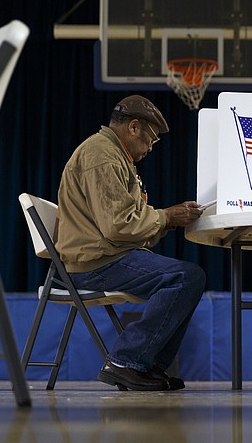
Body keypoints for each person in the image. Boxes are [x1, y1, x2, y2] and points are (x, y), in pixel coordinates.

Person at [55, 94, 206, 391]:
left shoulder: (114, 155)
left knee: (189, 276)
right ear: (134, 127)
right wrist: (166, 217)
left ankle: (145, 365)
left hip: (106, 255)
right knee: (185, 277)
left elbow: (127, 223)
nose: (150, 148)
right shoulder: (102, 155)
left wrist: (168, 219)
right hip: (95, 262)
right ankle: (126, 361)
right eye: (150, 139)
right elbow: (117, 227)